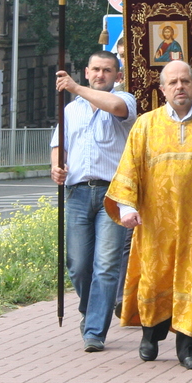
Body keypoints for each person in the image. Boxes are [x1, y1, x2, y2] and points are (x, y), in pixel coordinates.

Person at [105, 61, 192, 371]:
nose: (179, 86)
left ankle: (190, 348)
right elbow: (130, 170)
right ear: (163, 89)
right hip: (156, 224)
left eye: (185, 80)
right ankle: (150, 335)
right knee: (156, 278)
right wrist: (128, 209)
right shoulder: (146, 125)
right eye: (173, 82)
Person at [49, 51, 137, 353]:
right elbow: (59, 143)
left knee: (107, 265)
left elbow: (114, 106)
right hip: (77, 194)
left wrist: (74, 88)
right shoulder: (71, 110)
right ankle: (91, 309)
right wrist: (56, 165)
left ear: (118, 76)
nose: (101, 75)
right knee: (78, 264)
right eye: (96, 70)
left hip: (112, 195)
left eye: (107, 70)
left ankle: (95, 330)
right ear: (87, 72)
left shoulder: (125, 101)